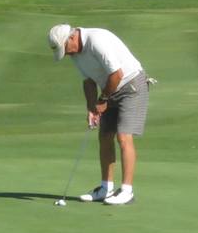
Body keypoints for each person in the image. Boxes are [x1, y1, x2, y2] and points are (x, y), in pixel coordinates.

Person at [47, 24, 149, 205]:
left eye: (66, 49)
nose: (67, 54)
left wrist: (102, 100)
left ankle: (127, 191)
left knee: (123, 137)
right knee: (104, 136)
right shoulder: (75, 52)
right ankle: (105, 188)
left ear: (71, 38)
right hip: (109, 89)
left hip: (131, 85)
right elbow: (88, 81)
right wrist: (91, 108)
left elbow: (117, 74)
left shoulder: (96, 40)